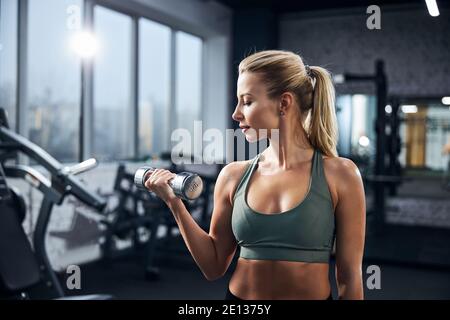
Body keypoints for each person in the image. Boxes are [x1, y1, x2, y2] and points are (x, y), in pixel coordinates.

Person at [145, 50, 366, 300]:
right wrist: (174, 202)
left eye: (247, 101)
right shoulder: (233, 176)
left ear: (283, 103)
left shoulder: (340, 174)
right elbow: (214, 266)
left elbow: (349, 277)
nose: (236, 113)